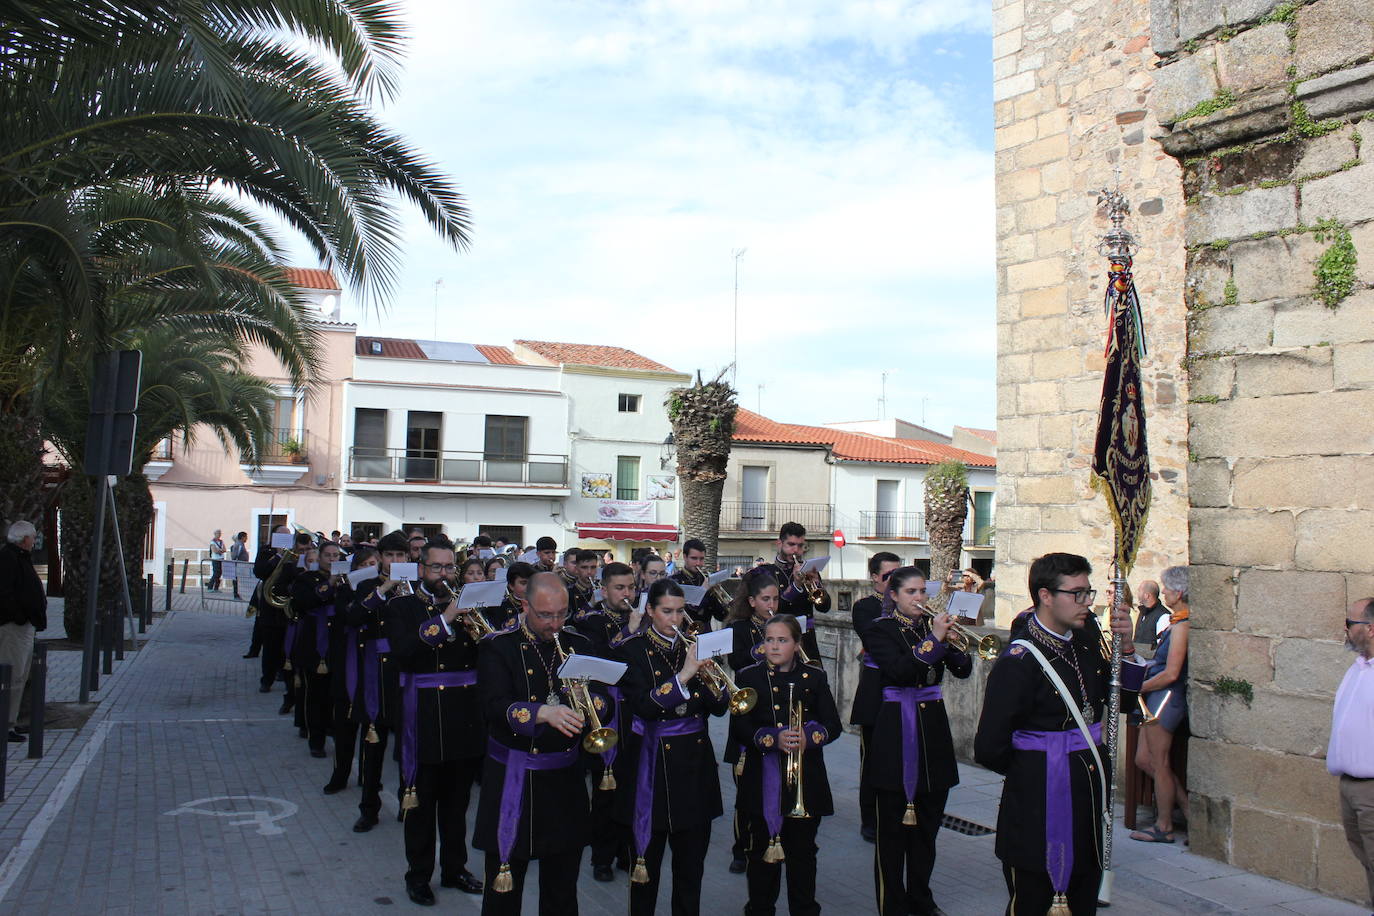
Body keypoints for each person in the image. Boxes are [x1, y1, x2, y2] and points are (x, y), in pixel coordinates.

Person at [974, 552, 1135, 916]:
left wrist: (1126, 647)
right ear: (1045, 595)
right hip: (1038, 803)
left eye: (1088, 592)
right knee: (1033, 901)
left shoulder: (1085, 643)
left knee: (1083, 900)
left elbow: (1122, 702)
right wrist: (1040, 768)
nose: (1086, 602)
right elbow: (989, 747)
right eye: (1076, 593)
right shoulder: (1018, 661)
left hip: (1087, 801)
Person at [474, 573, 594, 915]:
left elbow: (603, 700)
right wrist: (541, 713)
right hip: (513, 780)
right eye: (545, 615)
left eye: (561, 614)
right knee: (503, 890)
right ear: (525, 606)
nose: (554, 623)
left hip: (563, 782)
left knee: (562, 889)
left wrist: (589, 701)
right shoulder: (498, 646)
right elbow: (493, 705)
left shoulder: (578, 644)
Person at [615, 579, 729, 916]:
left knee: (691, 870)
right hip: (650, 767)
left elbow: (720, 707)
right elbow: (643, 706)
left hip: (695, 767)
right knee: (645, 870)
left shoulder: (695, 646)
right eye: (667, 611)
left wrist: (714, 676)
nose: (675, 619)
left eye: (680, 612)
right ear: (650, 611)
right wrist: (684, 676)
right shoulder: (630, 650)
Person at [861, 566, 970, 916]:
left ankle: (922, 899)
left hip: (932, 731)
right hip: (895, 729)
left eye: (922, 591)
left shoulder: (931, 627)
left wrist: (951, 641)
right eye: (911, 592)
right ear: (893, 595)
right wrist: (935, 639)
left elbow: (963, 670)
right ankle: (892, 905)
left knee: (927, 830)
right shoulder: (880, 629)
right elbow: (900, 671)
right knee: (891, 836)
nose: (919, 598)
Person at [386, 540, 485, 905]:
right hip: (424, 714)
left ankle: (455, 868)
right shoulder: (402, 606)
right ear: (421, 568)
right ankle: (418, 875)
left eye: (448, 568)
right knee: (422, 805)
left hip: (463, 715)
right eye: (436, 567)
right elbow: (404, 651)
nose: (444, 574)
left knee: (457, 804)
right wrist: (447, 619)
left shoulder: (468, 604)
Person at [731, 614, 841, 916]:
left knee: (803, 854)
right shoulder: (749, 677)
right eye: (769, 640)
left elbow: (833, 724)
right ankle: (760, 908)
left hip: (806, 778)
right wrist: (772, 738)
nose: (775, 646)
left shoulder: (814, 677)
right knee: (760, 853)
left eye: (782, 640)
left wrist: (810, 737)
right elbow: (740, 727)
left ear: (796, 644)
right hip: (761, 779)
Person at [571, 561, 638, 881]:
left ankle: (628, 850)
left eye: (631, 587)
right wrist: (629, 633)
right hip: (605, 710)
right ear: (604, 589)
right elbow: (599, 661)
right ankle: (602, 856)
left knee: (633, 784)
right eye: (619, 588)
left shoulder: (640, 617)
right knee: (604, 786)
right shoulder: (590, 620)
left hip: (635, 708)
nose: (627, 594)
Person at [344, 531, 410, 833]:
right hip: (377, 674)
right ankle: (368, 808)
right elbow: (354, 617)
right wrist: (384, 588)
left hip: (406, 671)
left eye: (401, 556)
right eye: (390, 555)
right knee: (373, 745)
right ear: (381, 558)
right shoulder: (367, 585)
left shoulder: (416, 587)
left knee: (408, 744)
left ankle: (407, 800)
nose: (395, 561)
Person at [723, 568, 786, 872]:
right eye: (765, 599)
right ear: (751, 601)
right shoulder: (739, 628)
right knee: (747, 790)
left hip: (778, 711)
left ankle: (773, 839)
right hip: (749, 711)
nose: (771, 604)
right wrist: (767, 646)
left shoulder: (784, 626)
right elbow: (736, 662)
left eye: (775, 599)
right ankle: (741, 848)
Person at [1130, 565, 1189, 844]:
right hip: (1156, 696)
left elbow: (1172, 673)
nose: (1163, 591)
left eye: (1167, 588)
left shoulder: (1183, 626)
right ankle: (1188, 811)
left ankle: (1164, 825)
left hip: (1166, 697)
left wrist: (1139, 686)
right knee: (1144, 759)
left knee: (1159, 762)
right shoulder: (1177, 623)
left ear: (1179, 592)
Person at [850, 551, 902, 844]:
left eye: (898, 575)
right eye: (888, 576)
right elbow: (875, 638)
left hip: (904, 694)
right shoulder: (865, 607)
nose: (894, 581)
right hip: (875, 692)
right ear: (874, 578)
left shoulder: (911, 608)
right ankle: (870, 819)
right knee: (871, 760)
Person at [1329, 596, 1374, 908]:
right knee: (1366, 859)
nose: (1345, 629)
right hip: (1350, 786)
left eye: (1350, 623)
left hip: (1371, 789)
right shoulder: (1357, 668)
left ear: (1370, 629)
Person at [288, 541, 345, 759]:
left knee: (336, 694)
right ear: (319, 557)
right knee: (315, 695)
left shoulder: (346, 580)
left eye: (335, 555)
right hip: (313, 643)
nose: (332, 559)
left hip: (338, 642)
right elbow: (304, 602)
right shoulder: (306, 579)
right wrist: (330, 583)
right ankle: (316, 740)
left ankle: (334, 731)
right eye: (328, 555)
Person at [0, 521, 45, 741]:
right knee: (13, 675)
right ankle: (5, 724)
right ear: (24, 539)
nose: (35, 541)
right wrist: (19, 616)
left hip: (23, 626)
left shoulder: (19, 557)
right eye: (33, 537)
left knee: (20, 675)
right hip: (13, 628)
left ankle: (10, 722)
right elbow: (5, 592)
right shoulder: (9, 558)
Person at [761, 522, 832, 618]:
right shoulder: (765, 572)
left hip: (805, 628)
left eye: (800, 545)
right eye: (791, 544)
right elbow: (772, 609)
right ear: (779, 544)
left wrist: (817, 584)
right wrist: (795, 586)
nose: (796, 550)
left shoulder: (808, 570)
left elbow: (824, 608)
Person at [671, 538, 727, 629]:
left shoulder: (705, 579)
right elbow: (690, 610)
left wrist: (720, 596)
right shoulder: (675, 580)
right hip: (685, 631)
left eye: (701, 559)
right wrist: (703, 590)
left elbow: (721, 616)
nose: (698, 563)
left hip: (706, 632)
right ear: (685, 557)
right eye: (694, 558)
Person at [1132, 580, 1167, 648]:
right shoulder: (1142, 612)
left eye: (1139, 591)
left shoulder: (1163, 616)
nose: (1137, 594)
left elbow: (1162, 647)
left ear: (1146, 595)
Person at [566, 549, 598, 616]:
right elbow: (571, 620)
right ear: (576, 569)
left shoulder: (601, 589)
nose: (589, 572)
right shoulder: (568, 593)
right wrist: (591, 604)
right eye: (584, 567)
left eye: (593, 567)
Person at [230, 531, 249, 602]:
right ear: (243, 537)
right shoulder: (239, 545)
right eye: (246, 537)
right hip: (239, 565)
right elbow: (235, 556)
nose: (247, 539)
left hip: (241, 565)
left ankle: (238, 594)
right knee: (236, 580)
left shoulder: (241, 544)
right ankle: (236, 595)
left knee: (239, 580)